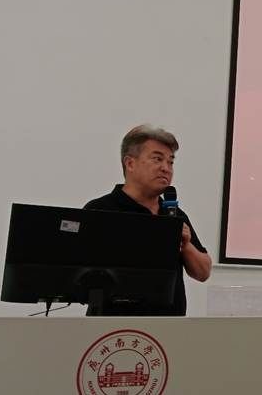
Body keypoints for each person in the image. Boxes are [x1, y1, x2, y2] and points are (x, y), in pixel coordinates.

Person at [84, 124, 212, 315]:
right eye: (157, 159)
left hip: (169, 326)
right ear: (130, 163)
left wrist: (186, 246)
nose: (166, 168)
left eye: (170, 162)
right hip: (113, 325)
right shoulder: (101, 209)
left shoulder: (174, 214)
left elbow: (203, 272)